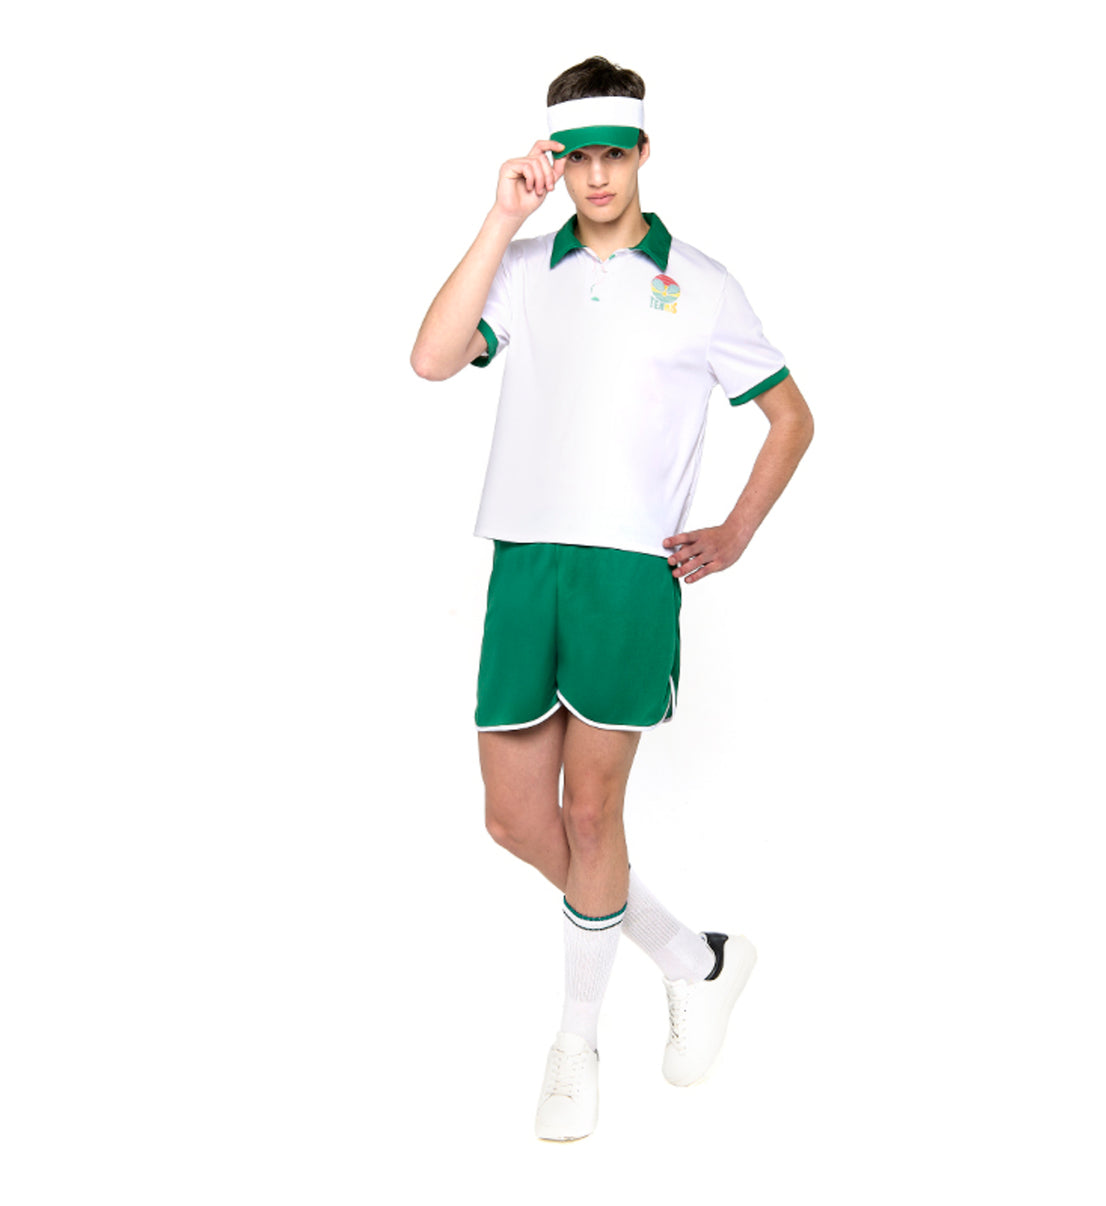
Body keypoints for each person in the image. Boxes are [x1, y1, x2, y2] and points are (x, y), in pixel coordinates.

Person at [411, 56, 814, 1141]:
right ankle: (694, 957)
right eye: (578, 157)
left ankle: (576, 1043)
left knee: (592, 816)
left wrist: (735, 531)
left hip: (627, 573)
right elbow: (432, 358)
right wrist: (502, 217)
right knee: (512, 818)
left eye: (614, 154)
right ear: (556, 160)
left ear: (643, 153)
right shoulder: (523, 266)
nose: (597, 176)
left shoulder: (703, 283)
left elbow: (791, 417)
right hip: (525, 561)